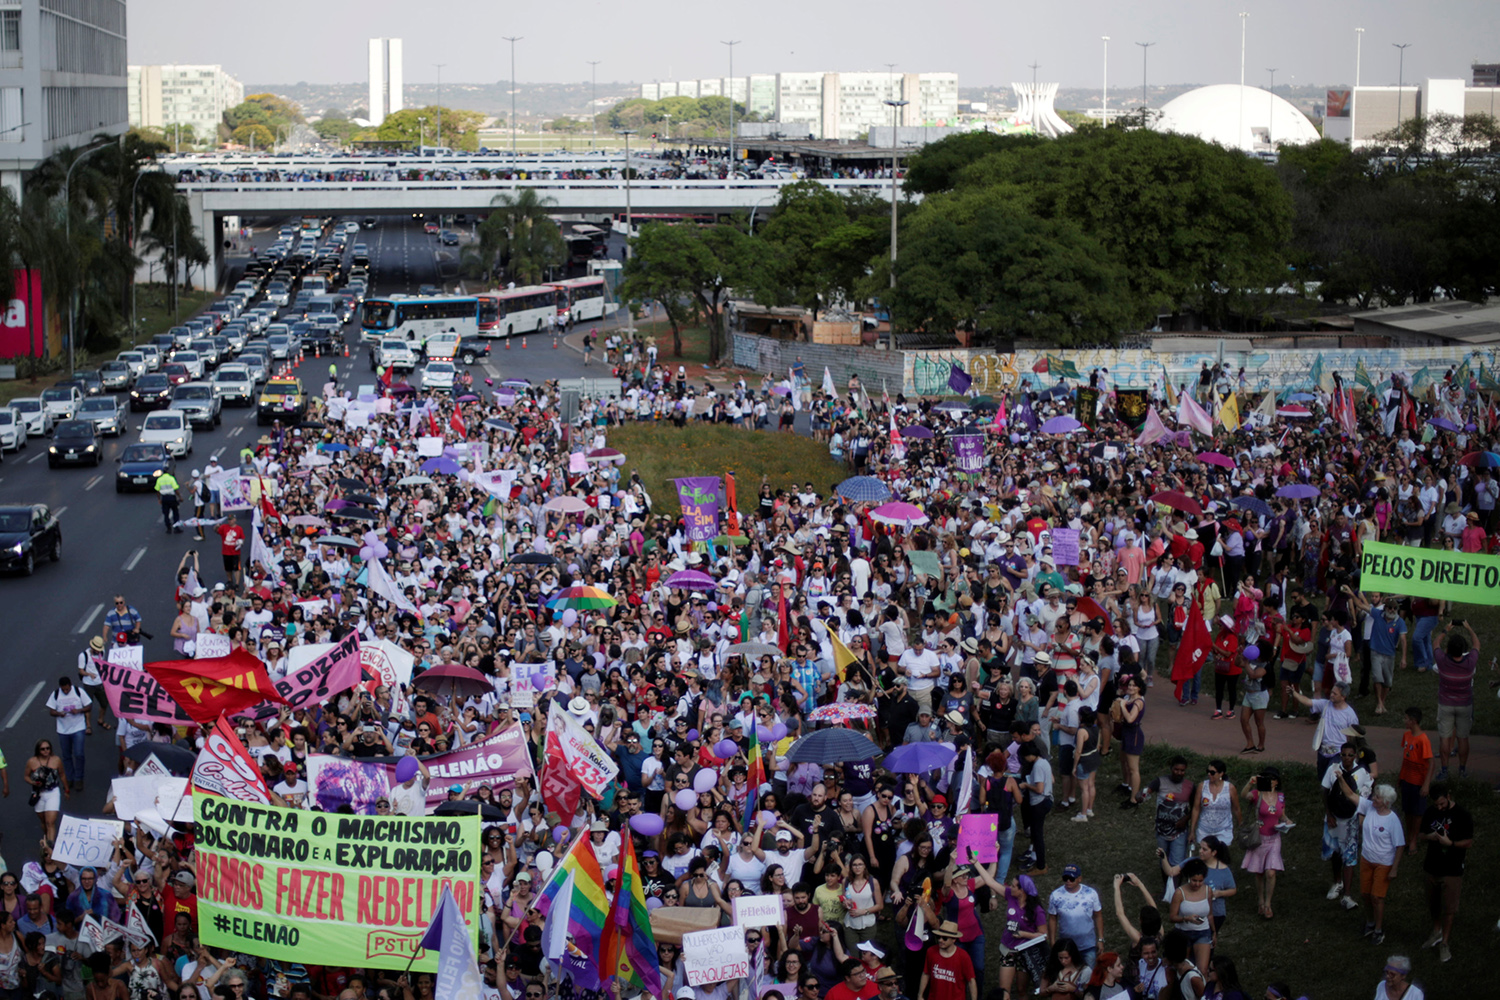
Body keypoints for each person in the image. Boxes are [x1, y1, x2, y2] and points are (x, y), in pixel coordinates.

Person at [1341, 783, 1404, 945]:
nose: (1373, 798)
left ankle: (1378, 929)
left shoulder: (1392, 820)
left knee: (1377, 897)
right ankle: (1370, 922)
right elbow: (1349, 794)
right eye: (1374, 796)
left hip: (1384, 863)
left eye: (1377, 797)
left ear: (1386, 802)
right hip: (1367, 860)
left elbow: (1400, 845)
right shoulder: (1369, 807)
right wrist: (1340, 777)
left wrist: (1394, 868)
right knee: (1365, 895)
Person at [1418, 781, 1471, 964]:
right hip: (1432, 866)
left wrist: (1452, 844)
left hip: (1452, 869)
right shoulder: (1431, 812)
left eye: (1442, 804)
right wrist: (1429, 837)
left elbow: (1468, 842)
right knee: (1433, 903)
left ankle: (1445, 943)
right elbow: (1421, 835)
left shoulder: (1462, 815)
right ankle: (1436, 931)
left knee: (1448, 908)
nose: (1440, 808)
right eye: (1436, 804)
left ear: (1448, 797)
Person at [1240, 767, 1288, 920]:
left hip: (1274, 838)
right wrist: (1250, 783)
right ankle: (1260, 899)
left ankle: (1268, 903)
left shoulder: (1280, 797)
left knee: (1271, 872)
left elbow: (1283, 815)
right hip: (1260, 838)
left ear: (1276, 781)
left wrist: (1288, 822)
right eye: (1266, 778)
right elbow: (1244, 795)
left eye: (1272, 778)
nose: (1270, 781)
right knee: (1259, 872)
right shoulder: (1257, 794)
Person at [1431, 619, 1476, 781]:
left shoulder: (1442, 661)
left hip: (1445, 704)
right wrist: (1469, 628)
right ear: (1464, 650)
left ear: (1448, 649)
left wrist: (1446, 629)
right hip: (1465, 705)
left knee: (1445, 738)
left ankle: (1444, 770)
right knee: (1463, 738)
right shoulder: (1470, 662)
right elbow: (1476, 645)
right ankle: (1462, 770)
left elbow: (1435, 643)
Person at [1134, 756, 1193, 871]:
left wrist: (1185, 819)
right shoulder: (1160, 781)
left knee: (1177, 863)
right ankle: (1166, 885)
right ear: (1171, 768)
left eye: (1182, 770)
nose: (1179, 773)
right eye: (1176, 769)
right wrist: (1141, 796)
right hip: (1161, 830)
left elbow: (1196, 808)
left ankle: (1175, 887)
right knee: (1163, 860)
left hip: (1179, 832)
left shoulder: (1189, 786)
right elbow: (1146, 792)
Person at [1047, 865, 1104, 971]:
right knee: (1069, 975)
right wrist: (1053, 941)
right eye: (1065, 878)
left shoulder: (1091, 894)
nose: (1068, 881)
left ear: (1079, 879)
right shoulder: (1055, 895)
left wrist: (1100, 939)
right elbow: (1052, 918)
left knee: (1089, 975)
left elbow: (1098, 915)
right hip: (1067, 946)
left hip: (1088, 944)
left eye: (1072, 879)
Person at [1397, 707, 1435, 853]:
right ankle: (1409, 836)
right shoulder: (1407, 736)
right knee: (1407, 810)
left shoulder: (1423, 739)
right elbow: (1406, 758)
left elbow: (1431, 762)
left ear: (1413, 721)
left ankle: (1414, 840)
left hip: (1418, 781)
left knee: (1417, 812)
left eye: (1406, 718)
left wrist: (1426, 784)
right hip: (1407, 779)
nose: (1404, 721)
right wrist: (1401, 776)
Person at [46, 675, 90, 792]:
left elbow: (89, 706)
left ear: (70, 685)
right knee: (66, 755)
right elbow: (51, 711)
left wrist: (79, 710)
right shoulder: (56, 694)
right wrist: (59, 713)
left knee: (79, 754)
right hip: (63, 730)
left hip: (78, 727)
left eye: (67, 689)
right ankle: (69, 778)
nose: (65, 691)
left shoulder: (78, 692)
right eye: (63, 690)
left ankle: (79, 778)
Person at [917, 921, 976, 1000]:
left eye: (945, 938)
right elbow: (926, 974)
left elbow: (971, 981)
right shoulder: (931, 951)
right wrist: (920, 995)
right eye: (938, 937)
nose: (940, 940)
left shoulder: (963, 956)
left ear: (954, 939)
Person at [25, 739, 65, 844]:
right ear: (38, 750)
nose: (46, 751)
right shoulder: (31, 762)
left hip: (53, 792)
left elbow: (62, 774)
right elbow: (26, 776)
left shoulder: (56, 760)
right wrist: (33, 783)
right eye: (43, 749)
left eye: (48, 748)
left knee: (50, 822)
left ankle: (50, 845)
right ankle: (47, 837)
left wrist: (66, 789)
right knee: (43, 821)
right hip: (38, 794)